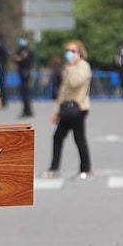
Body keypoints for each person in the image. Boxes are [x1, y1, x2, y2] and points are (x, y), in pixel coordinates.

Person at [46, 40, 93, 179]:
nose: (69, 54)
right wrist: (56, 111)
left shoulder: (84, 66)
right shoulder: (68, 67)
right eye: (68, 51)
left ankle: (86, 168)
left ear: (80, 53)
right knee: (57, 137)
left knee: (79, 138)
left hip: (78, 107)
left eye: (73, 51)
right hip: (66, 108)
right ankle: (54, 168)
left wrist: (72, 67)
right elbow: (63, 91)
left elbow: (75, 83)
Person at [12, 36, 34, 117]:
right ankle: (26, 109)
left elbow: (24, 59)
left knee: (25, 92)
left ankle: (28, 110)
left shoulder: (28, 50)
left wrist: (19, 59)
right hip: (21, 72)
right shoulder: (20, 50)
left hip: (26, 72)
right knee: (23, 92)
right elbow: (14, 58)